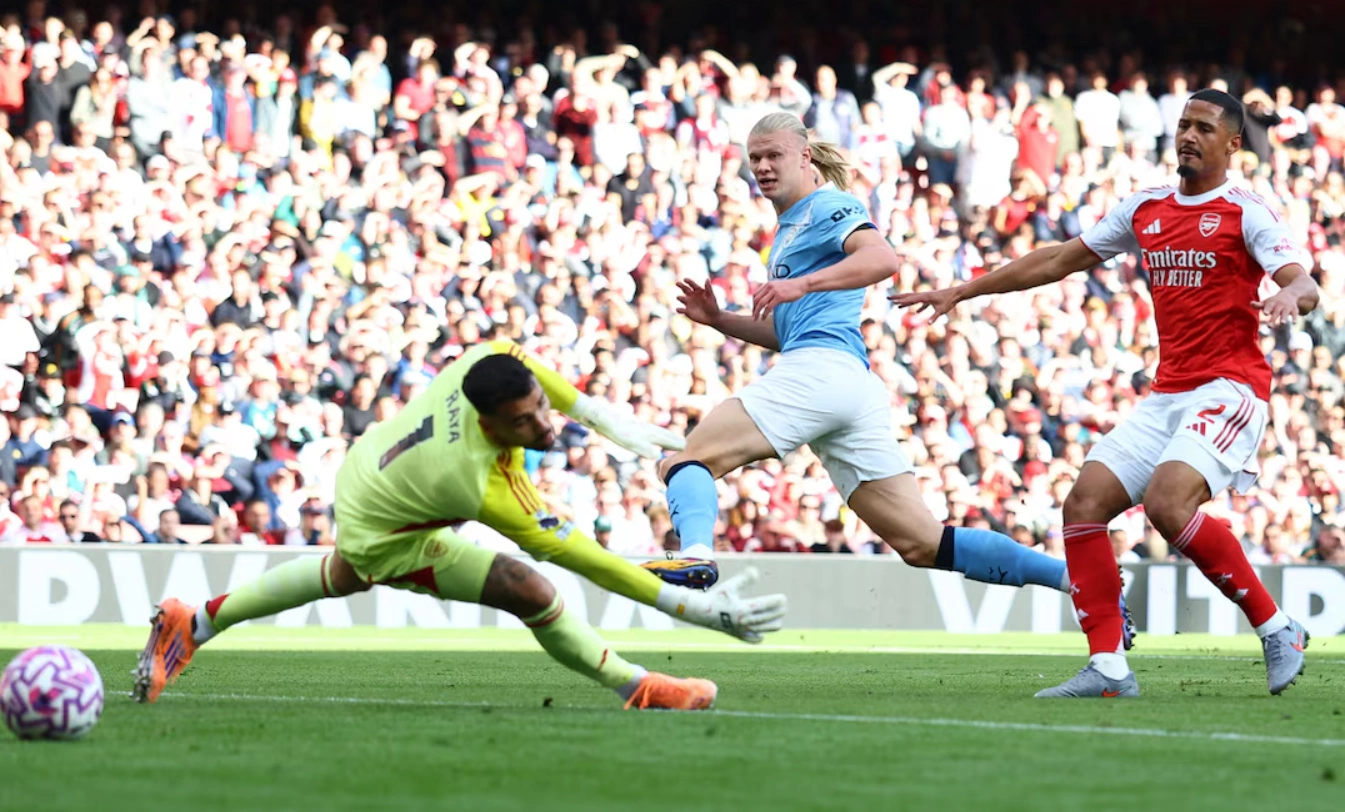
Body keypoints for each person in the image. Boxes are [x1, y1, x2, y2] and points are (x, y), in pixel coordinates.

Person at [893, 89, 1319, 698]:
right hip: (1168, 392)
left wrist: (1289, 294)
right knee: (1083, 504)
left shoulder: (1247, 211)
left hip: (1230, 388)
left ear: (1232, 144)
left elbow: (1303, 282)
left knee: (1168, 505)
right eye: (1184, 125)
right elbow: (1057, 260)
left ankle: (1278, 630)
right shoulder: (1145, 207)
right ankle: (1109, 669)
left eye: (1204, 128)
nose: (1188, 136)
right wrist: (964, 290)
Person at [642, 112, 1126, 639]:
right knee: (923, 543)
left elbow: (882, 258)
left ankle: (696, 554)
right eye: (754, 157)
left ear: (805, 156)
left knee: (687, 460)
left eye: (773, 155)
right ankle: (1080, 580)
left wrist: (801, 285)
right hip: (844, 382)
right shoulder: (790, 228)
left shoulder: (827, 206)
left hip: (822, 373)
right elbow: (789, 332)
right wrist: (720, 321)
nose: (761, 166)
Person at [134, 341, 788, 711]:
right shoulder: (475, 480)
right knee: (533, 590)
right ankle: (638, 687)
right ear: (487, 425)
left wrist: (599, 415)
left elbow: (515, 358)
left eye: (541, 409)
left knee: (342, 574)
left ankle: (193, 623)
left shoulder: (479, 366)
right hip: (387, 526)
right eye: (523, 423)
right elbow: (584, 557)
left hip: (369, 471)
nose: (543, 426)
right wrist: (690, 607)